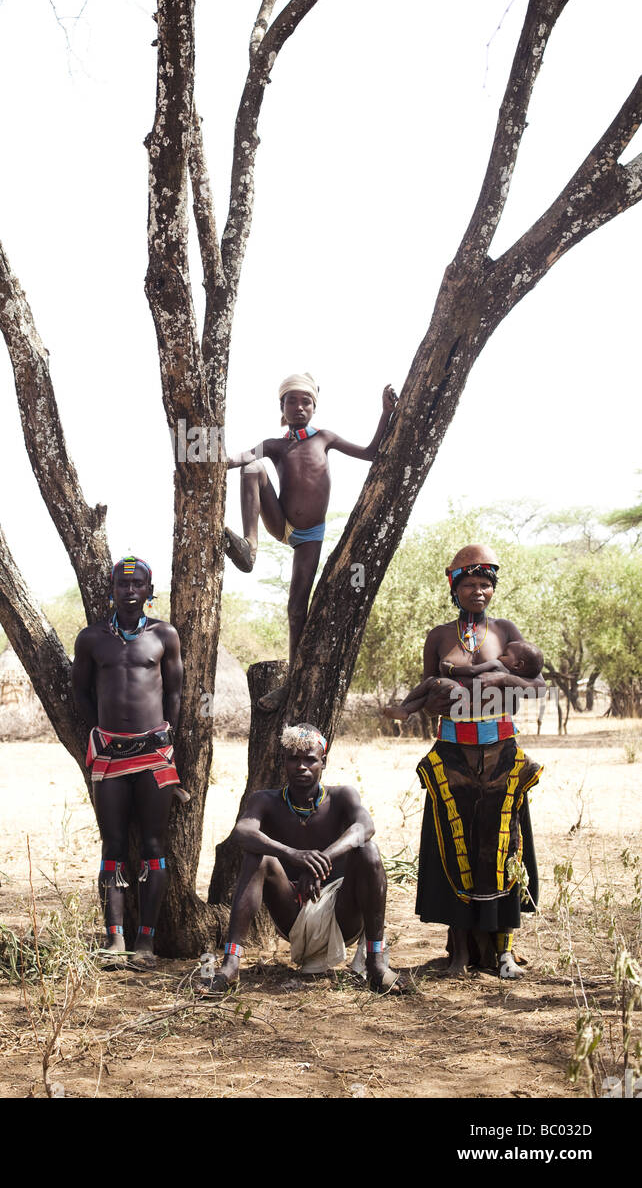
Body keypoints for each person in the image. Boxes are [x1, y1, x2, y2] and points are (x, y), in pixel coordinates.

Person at [224, 373, 396, 708]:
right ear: (282, 407)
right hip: (280, 521)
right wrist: (205, 459)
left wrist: (385, 412)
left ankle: (291, 683)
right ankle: (249, 548)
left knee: (295, 607)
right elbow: (238, 459)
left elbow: (372, 453)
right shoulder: (275, 445)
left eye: (306, 401)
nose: (299, 407)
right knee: (251, 469)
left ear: (314, 407)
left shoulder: (324, 438)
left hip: (310, 536)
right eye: (292, 401)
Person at [412, 545, 545, 979]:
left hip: (501, 755)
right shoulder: (438, 635)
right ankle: (459, 953)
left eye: (485, 584)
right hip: (451, 755)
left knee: (502, 845)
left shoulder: (505, 630)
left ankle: (503, 950)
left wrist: (501, 676)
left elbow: (536, 683)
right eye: (469, 584)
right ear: (454, 588)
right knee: (456, 844)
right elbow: (427, 689)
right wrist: (444, 686)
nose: (479, 591)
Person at [205, 724, 406, 995]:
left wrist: (321, 861)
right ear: (284, 763)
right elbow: (242, 832)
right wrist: (294, 855)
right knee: (259, 856)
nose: (302, 766)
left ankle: (376, 963)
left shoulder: (342, 796)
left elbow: (365, 827)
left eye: (310, 759)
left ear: (323, 761)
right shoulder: (265, 800)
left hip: (342, 915)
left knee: (368, 850)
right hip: (293, 913)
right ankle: (230, 965)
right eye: (294, 759)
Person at [71, 555, 183, 970]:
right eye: (122, 584)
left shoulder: (164, 635)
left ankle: (147, 943)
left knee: (154, 847)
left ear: (149, 592)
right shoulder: (92, 638)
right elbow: (81, 692)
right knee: (113, 846)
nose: (130, 592)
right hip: (109, 754)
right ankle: (114, 939)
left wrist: (167, 734)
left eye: (138, 586)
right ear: (112, 589)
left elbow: (174, 693)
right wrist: (104, 729)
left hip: (155, 754)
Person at [385, 639, 544, 724]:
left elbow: (473, 670)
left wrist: (452, 670)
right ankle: (405, 710)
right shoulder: (511, 682)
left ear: (517, 664)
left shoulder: (498, 665)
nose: (500, 655)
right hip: (468, 705)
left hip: (460, 690)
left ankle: (405, 708)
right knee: (430, 693)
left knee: (431, 683)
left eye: (505, 654)